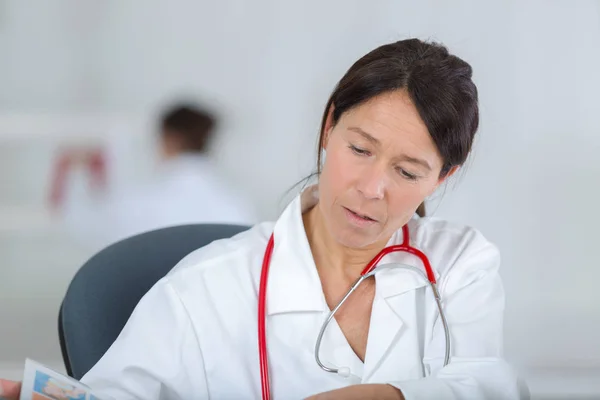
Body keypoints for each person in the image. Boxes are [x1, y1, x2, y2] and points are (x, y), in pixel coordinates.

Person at [1, 38, 522, 399]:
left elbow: (493, 386)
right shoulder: (204, 287)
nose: (371, 189)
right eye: (360, 149)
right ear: (328, 127)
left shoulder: (460, 265)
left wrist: (388, 394)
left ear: (443, 177)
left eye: (408, 171)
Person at [62, 103, 257, 251]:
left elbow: (84, 226)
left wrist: (76, 172)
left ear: (169, 138)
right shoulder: (235, 204)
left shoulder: (144, 200)